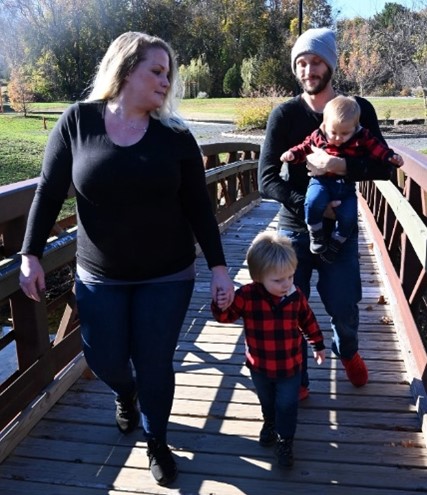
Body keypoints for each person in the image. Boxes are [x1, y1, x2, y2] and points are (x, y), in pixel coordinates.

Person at [18, 31, 235, 487]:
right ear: (124, 69)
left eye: (168, 73)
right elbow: (49, 190)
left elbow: (199, 205)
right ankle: (125, 392)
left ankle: (157, 440)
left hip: (167, 274)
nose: (165, 81)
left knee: (156, 362)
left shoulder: (175, 136)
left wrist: (219, 267)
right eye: (156, 71)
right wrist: (30, 253)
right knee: (104, 359)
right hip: (99, 276)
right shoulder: (78, 122)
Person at [258, 27, 393, 396]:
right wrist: (307, 207)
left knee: (345, 307)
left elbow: (384, 166)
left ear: (330, 65)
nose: (308, 70)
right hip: (293, 231)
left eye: (316, 61)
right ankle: (296, 376)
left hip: (342, 233)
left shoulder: (358, 110)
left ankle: (346, 350)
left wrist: (341, 168)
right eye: (301, 63)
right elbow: (266, 179)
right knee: (287, 308)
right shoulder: (285, 114)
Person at [212, 231, 325, 469]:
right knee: (266, 400)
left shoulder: (295, 295)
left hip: (290, 366)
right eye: (278, 280)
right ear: (258, 277)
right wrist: (221, 304)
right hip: (259, 365)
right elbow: (226, 316)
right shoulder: (247, 296)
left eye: (290, 277)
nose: (286, 284)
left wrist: (317, 343)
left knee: (287, 404)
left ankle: (285, 440)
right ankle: (269, 423)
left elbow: (308, 319)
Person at [281, 95, 403, 263]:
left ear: (356, 127)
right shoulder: (319, 135)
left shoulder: (362, 137)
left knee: (349, 217)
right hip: (321, 181)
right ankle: (316, 232)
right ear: (324, 125)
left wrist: (390, 157)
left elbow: (378, 149)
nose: (338, 138)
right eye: (334, 133)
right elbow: (304, 148)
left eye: (345, 133)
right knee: (313, 201)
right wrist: (292, 154)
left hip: (345, 187)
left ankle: (337, 241)